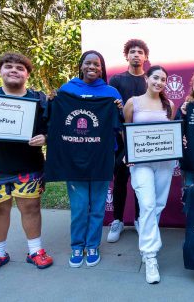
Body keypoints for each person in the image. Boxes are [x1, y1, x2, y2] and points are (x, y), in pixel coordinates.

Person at [0, 52, 53, 278]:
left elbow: (51, 128)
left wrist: (45, 137)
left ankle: (35, 251)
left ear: (27, 74)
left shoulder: (39, 101)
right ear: (0, 71)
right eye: (8, 66)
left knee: (31, 208)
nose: (14, 71)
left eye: (20, 68)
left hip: (28, 166)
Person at [57, 50, 123, 268]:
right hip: (74, 158)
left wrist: (120, 111)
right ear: (81, 65)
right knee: (79, 205)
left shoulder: (111, 92)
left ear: (102, 68)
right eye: (88, 63)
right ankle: (77, 245)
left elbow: (120, 124)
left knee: (97, 206)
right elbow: (58, 119)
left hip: (102, 157)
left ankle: (92, 245)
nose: (92, 67)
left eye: (97, 64)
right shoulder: (67, 89)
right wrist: (53, 102)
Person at [123, 65, 176, 284]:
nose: (159, 82)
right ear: (147, 78)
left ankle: (146, 247)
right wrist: (128, 154)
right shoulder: (132, 102)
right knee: (146, 204)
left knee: (158, 205)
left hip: (164, 162)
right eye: (156, 77)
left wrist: (178, 141)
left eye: (163, 79)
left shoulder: (170, 105)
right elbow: (125, 130)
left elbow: (171, 131)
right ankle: (151, 255)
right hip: (140, 162)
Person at [107, 39, 149, 243]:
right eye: (132, 51)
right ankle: (117, 220)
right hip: (121, 140)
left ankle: (140, 219)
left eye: (140, 52)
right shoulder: (116, 80)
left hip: (144, 141)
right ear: (126, 55)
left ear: (145, 57)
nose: (136, 55)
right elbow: (111, 111)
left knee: (142, 182)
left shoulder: (150, 80)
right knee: (121, 181)